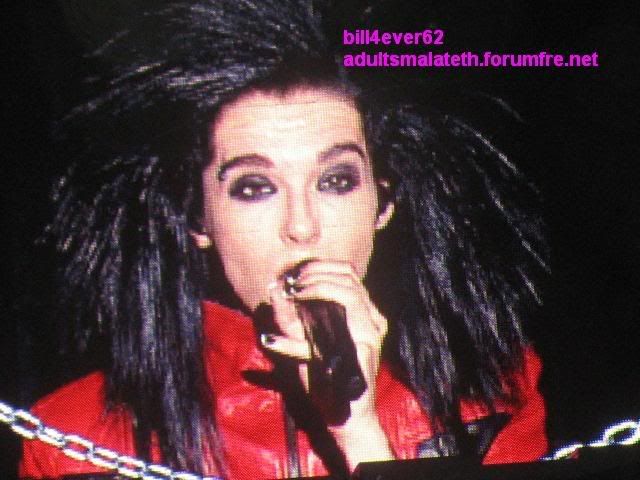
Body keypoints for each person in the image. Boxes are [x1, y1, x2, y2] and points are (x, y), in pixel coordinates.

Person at [19, 1, 549, 478]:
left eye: (336, 181)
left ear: (383, 204)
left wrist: (360, 430)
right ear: (198, 221)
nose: (302, 226)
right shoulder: (74, 439)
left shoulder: (493, 396)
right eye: (255, 188)